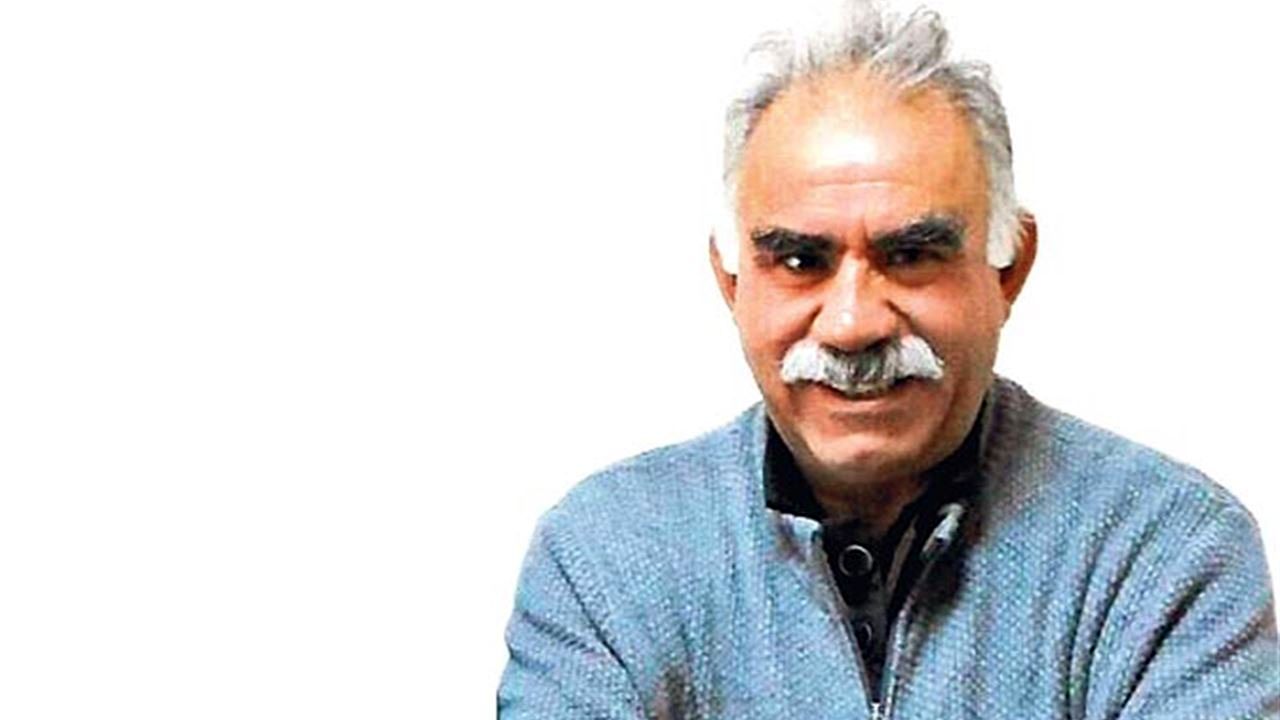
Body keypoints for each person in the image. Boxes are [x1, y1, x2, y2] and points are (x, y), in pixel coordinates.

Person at [497, 1, 1280, 717]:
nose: (851, 325)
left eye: (911, 256)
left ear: (1009, 269)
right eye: (799, 261)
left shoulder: (1165, 551)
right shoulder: (606, 558)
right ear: (731, 284)